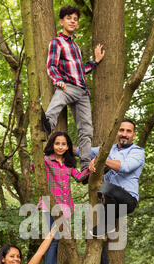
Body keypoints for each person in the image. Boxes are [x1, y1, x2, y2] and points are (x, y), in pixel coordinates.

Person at [76, 119, 145, 264]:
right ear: (117, 133)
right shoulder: (110, 149)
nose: (124, 134)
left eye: (128, 131)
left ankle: (107, 226)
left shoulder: (137, 152)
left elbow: (125, 167)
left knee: (105, 187)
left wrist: (100, 159)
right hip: (108, 201)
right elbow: (81, 150)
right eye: (121, 130)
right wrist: (61, 147)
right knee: (91, 235)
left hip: (127, 200)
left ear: (133, 135)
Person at [41, 4, 105, 172]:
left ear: (77, 24)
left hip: (83, 91)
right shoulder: (57, 42)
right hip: (67, 87)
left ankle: (85, 166)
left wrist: (95, 62)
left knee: (86, 130)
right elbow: (51, 65)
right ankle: (47, 123)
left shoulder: (75, 47)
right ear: (62, 21)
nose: (72, 21)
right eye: (69, 18)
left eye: (75, 19)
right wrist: (58, 80)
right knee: (58, 98)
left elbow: (80, 70)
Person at [38, 131, 94, 264]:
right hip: (50, 204)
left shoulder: (69, 164)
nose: (60, 147)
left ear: (68, 146)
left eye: (63, 144)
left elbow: (79, 177)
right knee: (52, 237)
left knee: (57, 238)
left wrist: (89, 168)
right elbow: (33, 169)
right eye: (57, 143)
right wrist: (38, 156)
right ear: (52, 145)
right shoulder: (46, 160)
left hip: (66, 207)